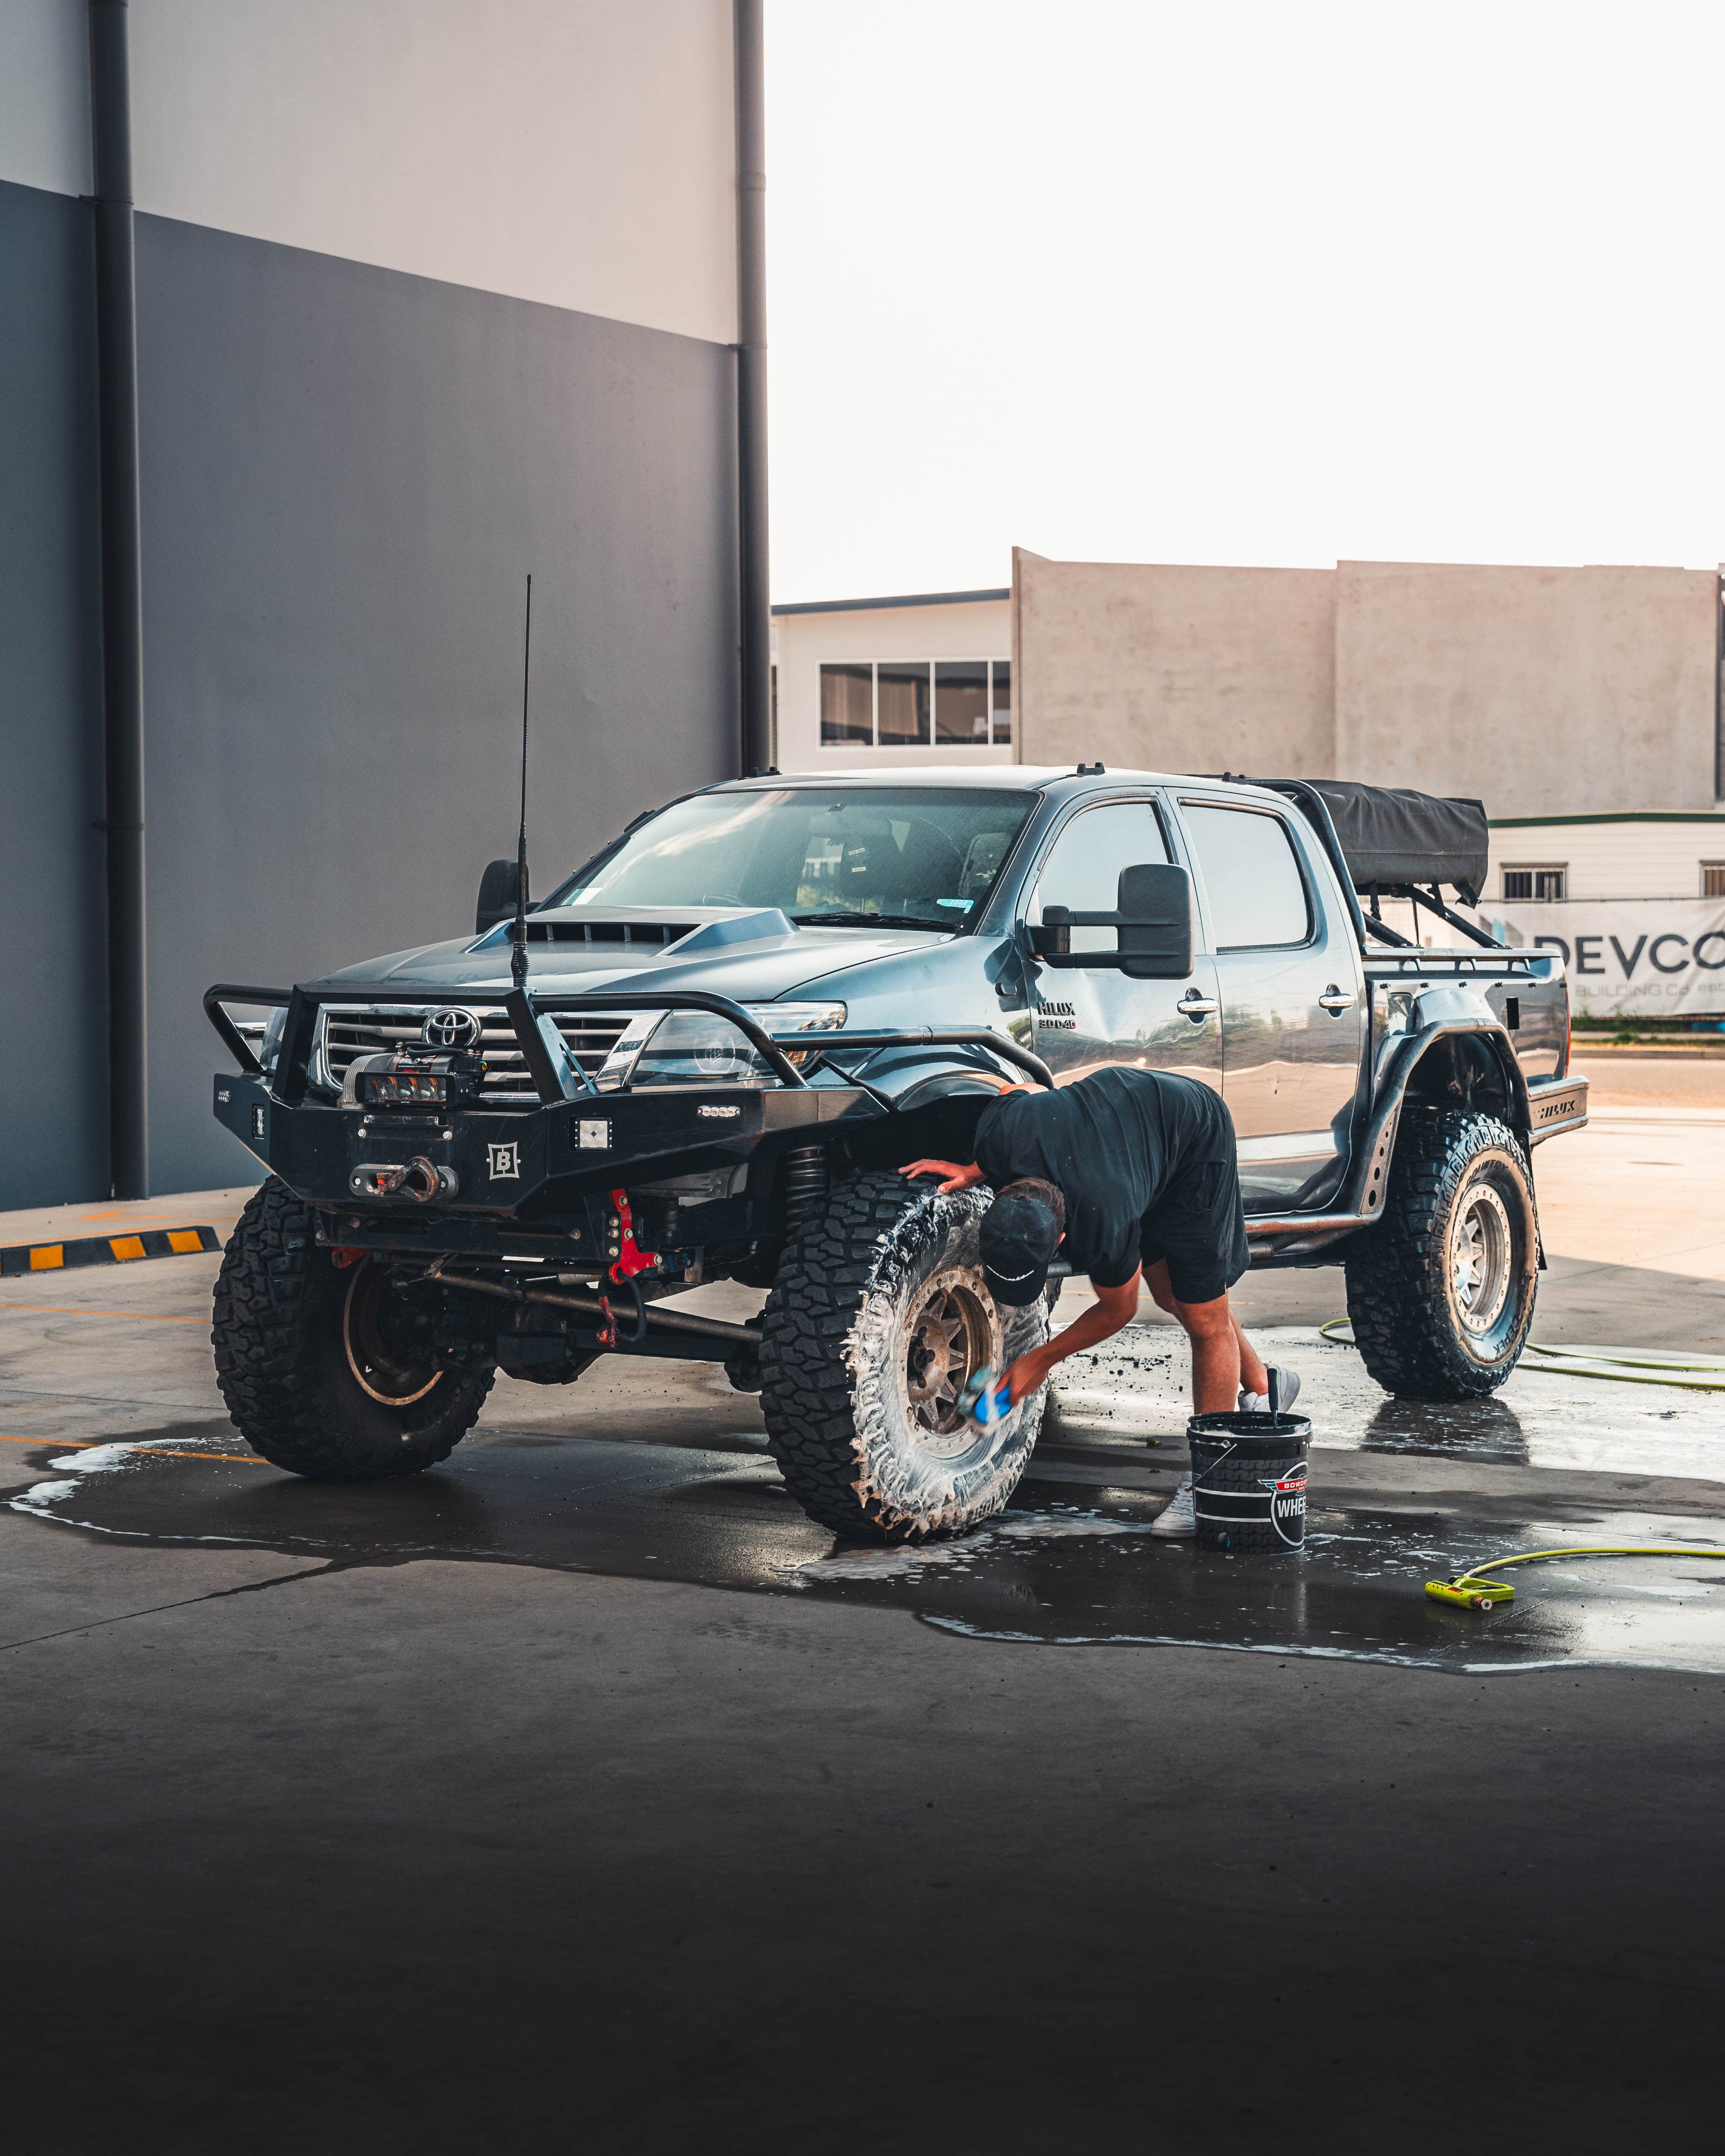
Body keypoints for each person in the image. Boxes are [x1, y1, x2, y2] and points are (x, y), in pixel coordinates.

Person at [900, 1064, 1299, 1540]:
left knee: (1202, 1318)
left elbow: (1118, 1311)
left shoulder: (1103, 1219)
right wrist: (974, 1169)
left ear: (1063, 1238)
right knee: (1172, 1294)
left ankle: (1206, 1486)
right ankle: (1265, 1388)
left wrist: (1039, 1361)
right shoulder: (997, 1133)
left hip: (1192, 1134)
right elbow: (1020, 1089)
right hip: (1126, 1137)